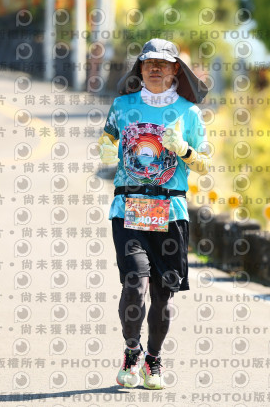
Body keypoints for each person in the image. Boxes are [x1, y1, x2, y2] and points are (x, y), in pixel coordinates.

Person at [98, 38, 211, 390]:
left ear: (176, 69)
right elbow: (108, 138)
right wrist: (106, 148)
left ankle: (153, 359)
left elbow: (205, 164)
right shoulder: (122, 105)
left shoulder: (189, 113)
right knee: (135, 283)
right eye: (149, 63)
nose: (155, 69)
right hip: (129, 207)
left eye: (163, 64)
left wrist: (185, 150)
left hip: (171, 211)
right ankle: (132, 352)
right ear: (140, 68)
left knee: (163, 294)